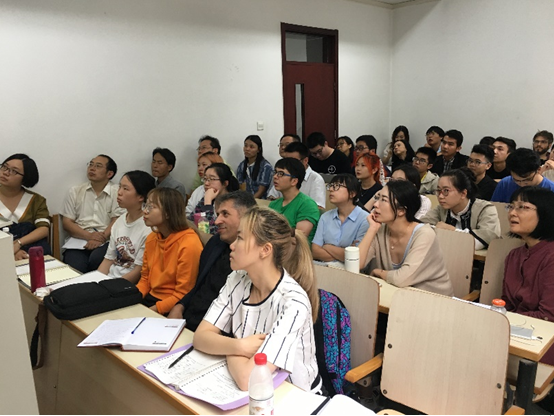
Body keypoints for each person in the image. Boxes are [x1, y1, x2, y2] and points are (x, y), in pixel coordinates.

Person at [193, 206, 321, 392]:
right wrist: (240, 346)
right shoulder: (237, 279)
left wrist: (227, 346)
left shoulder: (293, 303)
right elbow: (200, 337)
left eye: (240, 238)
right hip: (250, 386)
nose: (232, 245)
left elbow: (249, 379)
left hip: (295, 394)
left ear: (265, 250)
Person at [167, 191, 256, 331]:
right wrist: (180, 305)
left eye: (225, 214)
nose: (217, 221)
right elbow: (199, 286)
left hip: (214, 331)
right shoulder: (216, 243)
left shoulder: (253, 260)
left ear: (247, 218)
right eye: (218, 214)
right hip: (187, 320)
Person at [357, 180, 453, 296]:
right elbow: (356, 264)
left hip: (433, 300)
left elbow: (401, 279)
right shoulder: (380, 229)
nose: (376, 204)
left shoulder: (424, 235)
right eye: (378, 198)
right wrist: (372, 229)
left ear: (401, 210)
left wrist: (379, 272)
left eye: (384, 200)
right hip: (398, 296)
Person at [501, 187, 554, 366]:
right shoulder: (514, 255)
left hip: (544, 340)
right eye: (511, 206)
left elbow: (548, 316)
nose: (512, 213)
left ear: (545, 213)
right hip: (515, 331)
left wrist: (506, 320)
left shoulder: (551, 256)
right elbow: (506, 302)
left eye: (523, 207)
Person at [137, 188, 203, 315]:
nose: (145, 211)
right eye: (146, 205)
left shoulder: (189, 243)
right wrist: (132, 299)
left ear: (168, 213)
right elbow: (145, 279)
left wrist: (150, 311)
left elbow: (183, 293)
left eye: (151, 207)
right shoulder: (152, 238)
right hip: (150, 298)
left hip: (172, 305)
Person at [61, 154, 125, 273]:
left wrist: (101, 237)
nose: (92, 168)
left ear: (109, 174)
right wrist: (89, 236)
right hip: (79, 240)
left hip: (107, 241)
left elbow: (117, 220)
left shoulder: (118, 192)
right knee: (75, 266)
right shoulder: (75, 191)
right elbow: (67, 222)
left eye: (98, 166)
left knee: (97, 260)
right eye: (91, 164)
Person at [97, 170, 155, 283]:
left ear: (141, 197)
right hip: (109, 280)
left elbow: (138, 272)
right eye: (120, 187)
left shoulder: (149, 227)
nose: (119, 192)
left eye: (125, 189)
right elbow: (108, 260)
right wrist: (96, 281)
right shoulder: (119, 221)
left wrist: (109, 287)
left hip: (126, 285)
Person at [422, 169, 501, 250]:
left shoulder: (485, 209)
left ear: (463, 193)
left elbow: (484, 240)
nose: (440, 196)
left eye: (446, 191)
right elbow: (421, 228)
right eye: (439, 190)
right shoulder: (441, 209)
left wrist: (452, 231)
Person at [0, 154, 51, 260]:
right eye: (4, 167)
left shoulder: (36, 200)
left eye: (14, 171)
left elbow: (43, 229)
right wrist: (11, 252)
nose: (5, 173)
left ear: (25, 178)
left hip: (29, 251)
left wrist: (18, 243)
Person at [312, 174, 369, 262]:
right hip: (323, 266)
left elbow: (356, 257)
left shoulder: (365, 219)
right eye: (331, 186)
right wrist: (343, 254)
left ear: (352, 193)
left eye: (337, 186)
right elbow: (315, 251)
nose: (331, 189)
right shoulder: (325, 217)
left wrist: (327, 246)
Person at [268, 158, 320, 244]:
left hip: (295, 251)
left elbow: (297, 239)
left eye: (281, 174)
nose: (275, 176)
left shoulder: (307, 204)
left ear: (294, 181)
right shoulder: (273, 204)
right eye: (275, 172)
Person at [267, 142, 326, 209]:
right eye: (286, 160)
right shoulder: (280, 177)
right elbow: (271, 198)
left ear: (305, 160)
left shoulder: (316, 179)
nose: (288, 165)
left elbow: (318, 208)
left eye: (293, 161)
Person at [189, 163, 239, 234]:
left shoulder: (234, 204)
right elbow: (191, 221)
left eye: (212, 179)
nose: (206, 183)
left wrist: (207, 204)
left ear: (225, 183)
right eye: (205, 179)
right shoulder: (207, 199)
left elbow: (213, 233)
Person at [186, 152, 224, 217]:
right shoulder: (199, 190)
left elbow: (209, 222)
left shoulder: (228, 196)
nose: (200, 168)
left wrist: (208, 200)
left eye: (204, 165)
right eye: (198, 165)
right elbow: (189, 214)